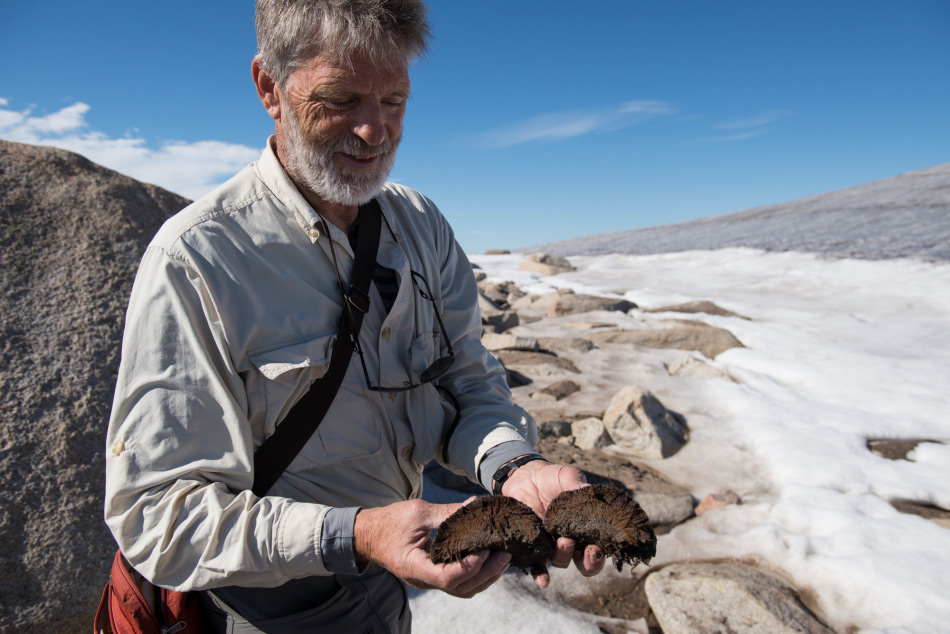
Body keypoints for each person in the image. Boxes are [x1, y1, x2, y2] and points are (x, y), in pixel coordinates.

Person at [104, 0, 604, 631]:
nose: (375, 131)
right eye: (341, 100)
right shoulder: (198, 261)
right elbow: (156, 516)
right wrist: (358, 534)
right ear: (270, 87)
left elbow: (467, 385)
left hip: (391, 574)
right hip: (266, 605)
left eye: (394, 100)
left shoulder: (418, 225)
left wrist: (514, 465)